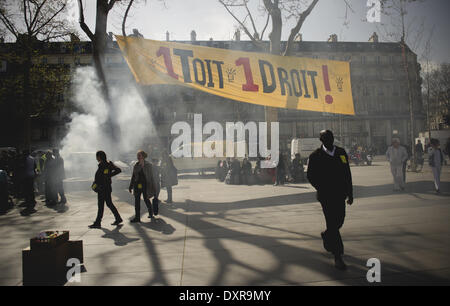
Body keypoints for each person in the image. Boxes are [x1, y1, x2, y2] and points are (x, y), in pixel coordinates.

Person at [307, 130, 353, 270]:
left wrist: (350, 193)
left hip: (340, 194)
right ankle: (338, 256)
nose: (329, 140)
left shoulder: (341, 153)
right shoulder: (315, 156)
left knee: (340, 219)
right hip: (326, 196)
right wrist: (321, 187)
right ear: (321, 140)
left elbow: (347, 173)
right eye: (326, 138)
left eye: (331, 137)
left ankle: (327, 235)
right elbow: (310, 175)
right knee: (333, 223)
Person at [89, 151, 123, 228]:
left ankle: (98, 222)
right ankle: (118, 218)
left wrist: (109, 175)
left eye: (97, 156)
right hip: (103, 187)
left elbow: (118, 170)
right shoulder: (102, 164)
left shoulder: (107, 164)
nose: (96, 158)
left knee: (101, 205)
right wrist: (94, 184)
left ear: (100, 157)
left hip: (104, 188)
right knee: (108, 203)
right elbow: (99, 177)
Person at [129, 150, 157, 222]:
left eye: (139, 155)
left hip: (146, 185)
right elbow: (133, 176)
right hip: (137, 185)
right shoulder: (136, 165)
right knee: (137, 201)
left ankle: (150, 212)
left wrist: (154, 186)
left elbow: (152, 176)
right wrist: (130, 186)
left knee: (146, 199)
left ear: (143, 156)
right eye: (137, 155)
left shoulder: (148, 165)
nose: (138, 157)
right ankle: (137, 217)